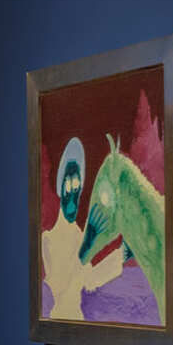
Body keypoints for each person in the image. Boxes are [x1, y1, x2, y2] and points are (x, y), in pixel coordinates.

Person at [41, 136, 122, 319]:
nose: (73, 194)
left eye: (77, 186)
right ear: (60, 188)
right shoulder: (47, 240)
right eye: (68, 186)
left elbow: (89, 280)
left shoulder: (78, 235)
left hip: (79, 320)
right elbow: (61, 289)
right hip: (60, 321)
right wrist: (86, 247)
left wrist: (122, 254)